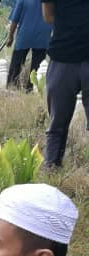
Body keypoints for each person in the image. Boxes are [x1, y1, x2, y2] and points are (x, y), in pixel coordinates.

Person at [41, 1, 89, 168]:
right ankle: (52, 168)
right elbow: (48, 16)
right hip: (62, 55)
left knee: (57, 123)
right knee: (57, 122)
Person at [6, 0, 51, 90]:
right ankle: (31, 88)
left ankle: (12, 86)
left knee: (16, 63)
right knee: (37, 67)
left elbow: (14, 20)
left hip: (24, 35)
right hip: (43, 36)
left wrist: (10, 36)